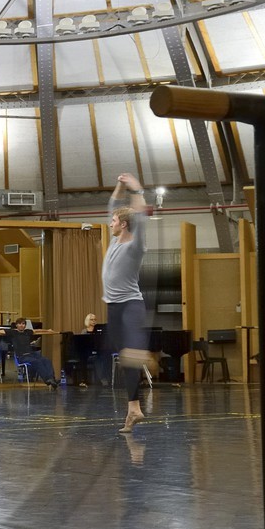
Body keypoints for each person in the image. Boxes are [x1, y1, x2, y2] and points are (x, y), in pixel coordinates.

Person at [105, 173, 151, 433]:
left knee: (130, 354)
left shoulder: (135, 247)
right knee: (124, 358)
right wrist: (120, 185)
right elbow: (114, 205)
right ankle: (133, 408)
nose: (110, 223)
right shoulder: (114, 240)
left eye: (114, 221)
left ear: (123, 225)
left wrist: (136, 190)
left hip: (130, 305)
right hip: (113, 306)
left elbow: (140, 220)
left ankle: (140, 351)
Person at [6, 317, 59, 387]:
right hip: (22, 356)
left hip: (31, 354)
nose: (21, 325)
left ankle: (52, 379)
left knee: (46, 360)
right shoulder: (13, 332)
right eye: (20, 324)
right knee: (37, 361)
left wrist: (47, 330)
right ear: (16, 325)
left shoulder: (27, 332)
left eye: (23, 324)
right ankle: (47, 379)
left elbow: (37, 331)